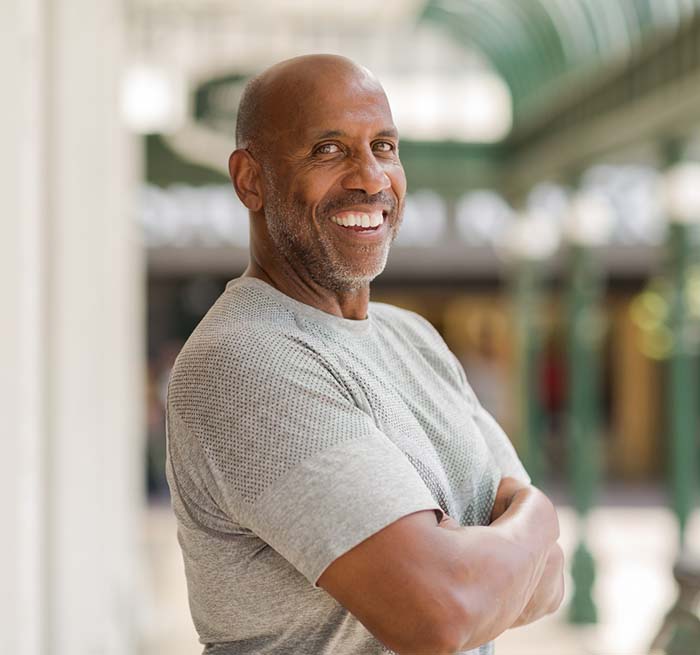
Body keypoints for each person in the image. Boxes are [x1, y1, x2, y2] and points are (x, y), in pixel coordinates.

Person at [165, 54, 564, 655]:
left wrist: (487, 558)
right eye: (329, 150)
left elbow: (549, 582)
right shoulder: (245, 360)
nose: (371, 178)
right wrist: (535, 520)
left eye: (383, 145)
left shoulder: (414, 338)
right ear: (250, 179)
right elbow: (440, 616)